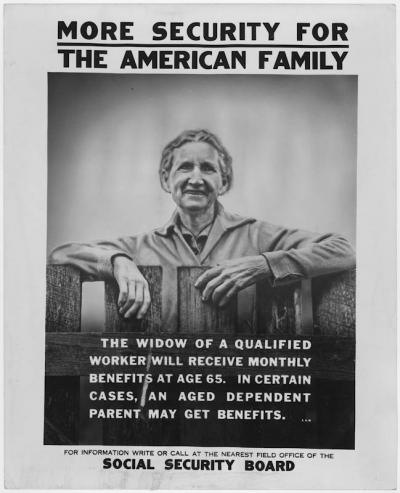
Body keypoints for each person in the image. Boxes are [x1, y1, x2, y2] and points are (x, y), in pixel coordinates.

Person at [49, 129, 356, 332]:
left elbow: (342, 249)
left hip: (243, 393)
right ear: (166, 180)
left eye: (207, 168)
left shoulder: (257, 236)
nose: (196, 177)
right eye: (185, 167)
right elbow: (62, 254)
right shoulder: (141, 246)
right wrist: (118, 261)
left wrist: (264, 265)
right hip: (164, 394)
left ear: (224, 182)